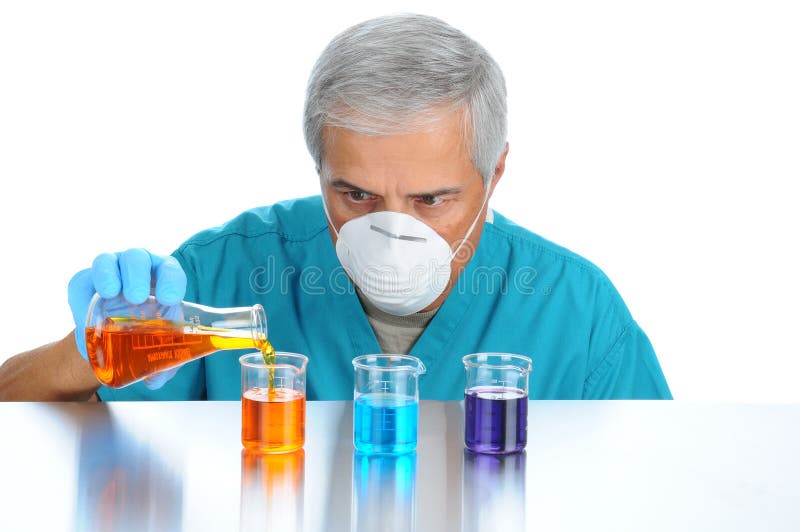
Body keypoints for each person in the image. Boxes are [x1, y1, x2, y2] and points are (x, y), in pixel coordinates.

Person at [0, 13, 671, 402]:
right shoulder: (225, 274)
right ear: (319, 171)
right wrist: (84, 354)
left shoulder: (577, 317)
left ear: (494, 173)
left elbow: (665, 492)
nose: (392, 230)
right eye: (355, 194)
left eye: (432, 199)